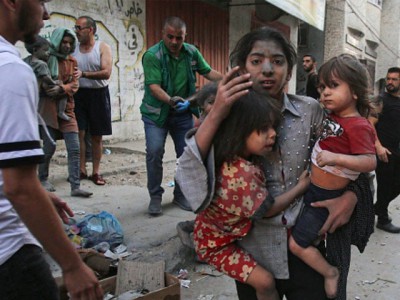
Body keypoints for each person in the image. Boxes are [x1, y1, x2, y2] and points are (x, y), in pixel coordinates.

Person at [176, 27, 373, 300]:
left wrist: (351, 196)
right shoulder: (227, 117)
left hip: (305, 244)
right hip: (252, 252)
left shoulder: (310, 111)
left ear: (290, 71)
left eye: (278, 61)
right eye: (256, 61)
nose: (267, 69)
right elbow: (188, 177)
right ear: (242, 68)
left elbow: (353, 154)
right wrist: (218, 112)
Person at [0, 1, 102, 299]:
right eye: (41, 2)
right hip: (10, 254)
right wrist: (71, 265)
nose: (45, 14)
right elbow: (20, 188)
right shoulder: (12, 72)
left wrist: (41, 194)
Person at [194, 90, 311, 300]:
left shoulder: (234, 158)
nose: (273, 134)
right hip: (216, 246)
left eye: (273, 127)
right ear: (241, 131)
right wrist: (301, 187)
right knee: (265, 282)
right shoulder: (241, 174)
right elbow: (268, 210)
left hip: (217, 236)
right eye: (263, 129)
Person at [288, 54, 376, 299]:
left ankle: (329, 273)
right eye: (322, 87)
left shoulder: (358, 125)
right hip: (314, 191)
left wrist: (336, 159)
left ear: (355, 91)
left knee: (297, 244)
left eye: (333, 86)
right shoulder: (333, 117)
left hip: (326, 198)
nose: (325, 92)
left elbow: (369, 161)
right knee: (307, 238)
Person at [140, 16, 222, 215]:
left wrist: (232, 79)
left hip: (182, 113)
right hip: (156, 115)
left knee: (186, 155)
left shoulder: (191, 52)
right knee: (154, 152)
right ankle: (155, 197)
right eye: (170, 37)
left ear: (185, 36)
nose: (175, 42)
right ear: (163, 34)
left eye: (179, 38)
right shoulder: (152, 55)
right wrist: (171, 101)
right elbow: (154, 87)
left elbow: (209, 72)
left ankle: (181, 194)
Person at [34, 27, 93, 198]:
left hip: (67, 109)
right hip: (47, 110)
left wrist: (62, 88)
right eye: (63, 42)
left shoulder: (72, 61)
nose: (67, 46)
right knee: (49, 146)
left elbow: (75, 85)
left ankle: (75, 186)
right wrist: (50, 88)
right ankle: (42, 178)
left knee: (74, 148)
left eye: (69, 42)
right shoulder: (46, 58)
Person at [73, 15, 113, 186]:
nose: (76, 31)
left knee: (96, 136)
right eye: (75, 27)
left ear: (90, 30)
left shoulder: (102, 47)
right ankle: (81, 170)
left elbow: (106, 72)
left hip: (98, 94)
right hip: (79, 95)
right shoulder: (73, 49)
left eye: (79, 28)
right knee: (79, 133)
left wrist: (84, 74)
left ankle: (96, 172)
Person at [373, 67, 400, 233]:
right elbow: (369, 124)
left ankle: (378, 207)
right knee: (385, 185)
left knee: (397, 185)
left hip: (398, 151)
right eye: (388, 79)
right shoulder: (381, 100)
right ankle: (382, 219)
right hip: (384, 152)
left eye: (394, 79)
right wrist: (378, 147)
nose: (390, 82)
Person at [24, 36, 70, 122]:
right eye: (45, 50)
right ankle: (61, 112)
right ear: (35, 50)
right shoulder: (42, 64)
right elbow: (46, 78)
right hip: (39, 89)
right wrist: (54, 82)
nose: (48, 53)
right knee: (64, 92)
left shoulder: (27, 60)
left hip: (29, 90)